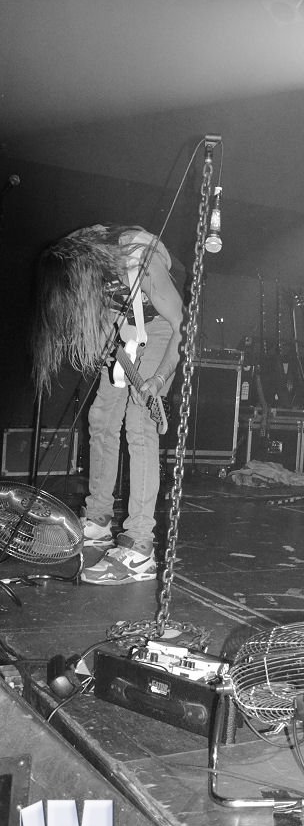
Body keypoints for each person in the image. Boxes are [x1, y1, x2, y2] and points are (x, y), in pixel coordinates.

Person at [31, 224, 183, 584]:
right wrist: (105, 346)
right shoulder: (85, 266)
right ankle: (98, 519)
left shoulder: (141, 262)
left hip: (161, 326)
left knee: (139, 424)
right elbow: (104, 312)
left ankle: (139, 548)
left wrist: (158, 378)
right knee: (101, 418)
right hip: (124, 327)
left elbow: (183, 327)